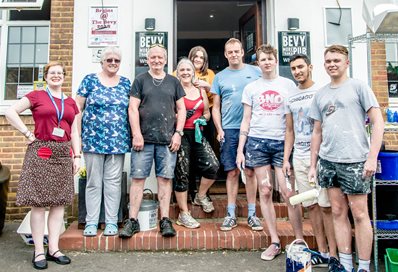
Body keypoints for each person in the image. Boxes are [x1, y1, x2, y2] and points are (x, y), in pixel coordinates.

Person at [308, 45, 384, 272]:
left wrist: (372, 158)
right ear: (324, 65)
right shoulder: (321, 94)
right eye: (328, 61)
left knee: (360, 214)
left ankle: (363, 266)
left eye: (336, 60)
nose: (332, 64)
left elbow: (378, 122)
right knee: (338, 212)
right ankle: (344, 264)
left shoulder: (359, 87)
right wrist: (313, 165)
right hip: (329, 161)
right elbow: (317, 132)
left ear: (346, 63)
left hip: (355, 160)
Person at [5, 61, 80, 269]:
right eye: (52, 73)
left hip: (64, 152)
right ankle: (38, 251)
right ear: (46, 77)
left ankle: (53, 249)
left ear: (64, 77)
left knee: (59, 203)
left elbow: (74, 132)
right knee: (38, 203)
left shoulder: (71, 102)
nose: (56, 76)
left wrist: (77, 156)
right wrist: (27, 133)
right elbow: (11, 112)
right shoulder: (37, 96)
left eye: (59, 73)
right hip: (41, 151)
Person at [235, 44, 303, 261]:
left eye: (269, 59)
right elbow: (245, 119)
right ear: (258, 63)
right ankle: (274, 241)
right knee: (264, 190)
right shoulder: (252, 88)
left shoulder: (289, 85)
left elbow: (294, 119)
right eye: (262, 59)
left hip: (282, 143)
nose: (266, 62)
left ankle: (299, 240)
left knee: (288, 192)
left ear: (275, 60)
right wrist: (240, 149)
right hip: (257, 143)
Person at [119, 44, 186, 238]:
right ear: (147, 60)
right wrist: (136, 134)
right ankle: (132, 221)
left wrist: (178, 133)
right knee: (138, 179)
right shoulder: (140, 80)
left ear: (165, 60)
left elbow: (181, 109)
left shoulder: (174, 82)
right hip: (144, 141)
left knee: (165, 180)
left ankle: (165, 220)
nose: (156, 60)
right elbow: (132, 109)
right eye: (153, 57)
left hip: (167, 141)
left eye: (160, 57)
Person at [282, 53, 338, 267]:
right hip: (300, 157)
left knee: (326, 206)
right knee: (311, 206)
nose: (297, 71)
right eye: (294, 68)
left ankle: (334, 255)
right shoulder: (290, 97)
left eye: (300, 67)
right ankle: (322, 251)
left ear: (310, 67)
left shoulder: (322, 92)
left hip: (323, 157)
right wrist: (286, 159)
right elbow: (289, 130)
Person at [75, 47, 131, 237]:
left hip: (117, 141)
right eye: (109, 60)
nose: (113, 63)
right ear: (102, 62)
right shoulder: (89, 80)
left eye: (117, 60)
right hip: (92, 140)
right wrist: (78, 137)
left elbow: (131, 110)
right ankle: (91, 221)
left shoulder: (125, 83)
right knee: (93, 182)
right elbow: (77, 110)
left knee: (113, 183)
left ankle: (111, 222)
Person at [211, 38, 262, 232]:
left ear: (242, 52)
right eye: (230, 52)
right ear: (225, 55)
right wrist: (219, 129)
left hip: (253, 129)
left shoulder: (256, 72)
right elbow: (215, 107)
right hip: (230, 129)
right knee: (232, 172)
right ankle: (231, 214)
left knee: (250, 171)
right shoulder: (220, 77)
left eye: (236, 51)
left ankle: (252, 214)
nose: (233, 54)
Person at [174, 58, 219, 228]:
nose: (185, 72)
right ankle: (184, 213)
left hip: (198, 133)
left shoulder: (200, 91)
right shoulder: (174, 90)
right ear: (178, 73)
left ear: (193, 72)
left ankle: (201, 195)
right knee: (182, 173)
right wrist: (179, 117)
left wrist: (202, 119)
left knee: (213, 165)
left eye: (188, 70)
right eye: (182, 70)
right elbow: (171, 113)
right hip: (180, 134)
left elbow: (207, 112)